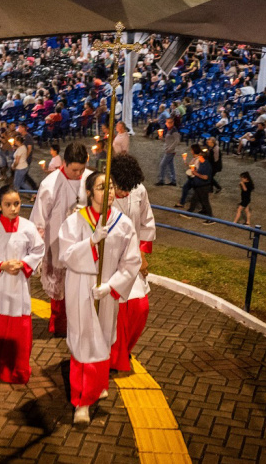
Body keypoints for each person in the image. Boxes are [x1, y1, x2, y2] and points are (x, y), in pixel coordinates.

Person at [58, 171, 141, 425]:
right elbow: (66, 255)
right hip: (81, 288)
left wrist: (112, 286)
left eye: (111, 186)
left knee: (104, 338)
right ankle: (81, 400)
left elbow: (131, 261)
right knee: (84, 342)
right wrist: (91, 243)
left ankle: (98, 384)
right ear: (90, 192)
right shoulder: (75, 222)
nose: (109, 191)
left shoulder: (124, 224)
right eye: (101, 187)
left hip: (106, 291)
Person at [0, 184, 44, 383]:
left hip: (19, 286)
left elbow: (38, 250)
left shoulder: (28, 227)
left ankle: (20, 369)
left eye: (17, 204)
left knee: (21, 332)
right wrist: (1, 265)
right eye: (8, 204)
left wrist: (24, 263)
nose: (14, 208)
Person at [30, 142, 92, 336]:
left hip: (84, 242)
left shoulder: (90, 179)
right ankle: (59, 325)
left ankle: (81, 323)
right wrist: (36, 250)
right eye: (74, 170)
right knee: (60, 288)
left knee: (82, 287)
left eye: (81, 169)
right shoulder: (50, 184)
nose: (78, 174)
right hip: (56, 242)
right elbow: (39, 220)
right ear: (64, 163)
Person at [108, 154, 156, 373]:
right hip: (109, 260)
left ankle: (125, 349)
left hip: (132, 258)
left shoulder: (139, 191)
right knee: (115, 313)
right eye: (121, 188)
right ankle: (112, 357)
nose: (125, 193)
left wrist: (143, 254)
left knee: (140, 308)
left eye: (129, 188)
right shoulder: (102, 193)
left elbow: (146, 222)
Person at [184, 145, 215, 224]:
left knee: (205, 202)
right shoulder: (202, 163)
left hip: (204, 186)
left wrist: (196, 174)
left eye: (200, 156)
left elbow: (205, 177)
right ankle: (190, 212)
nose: (198, 157)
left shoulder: (206, 165)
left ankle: (211, 218)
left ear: (202, 157)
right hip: (199, 185)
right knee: (194, 199)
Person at [155, 118, 179, 186]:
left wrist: (170, 149)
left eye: (167, 122)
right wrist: (161, 138)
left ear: (172, 123)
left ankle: (161, 180)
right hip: (169, 150)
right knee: (171, 166)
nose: (166, 123)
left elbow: (177, 141)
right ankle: (173, 180)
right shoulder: (169, 130)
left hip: (170, 151)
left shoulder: (174, 131)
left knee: (162, 165)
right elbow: (168, 140)